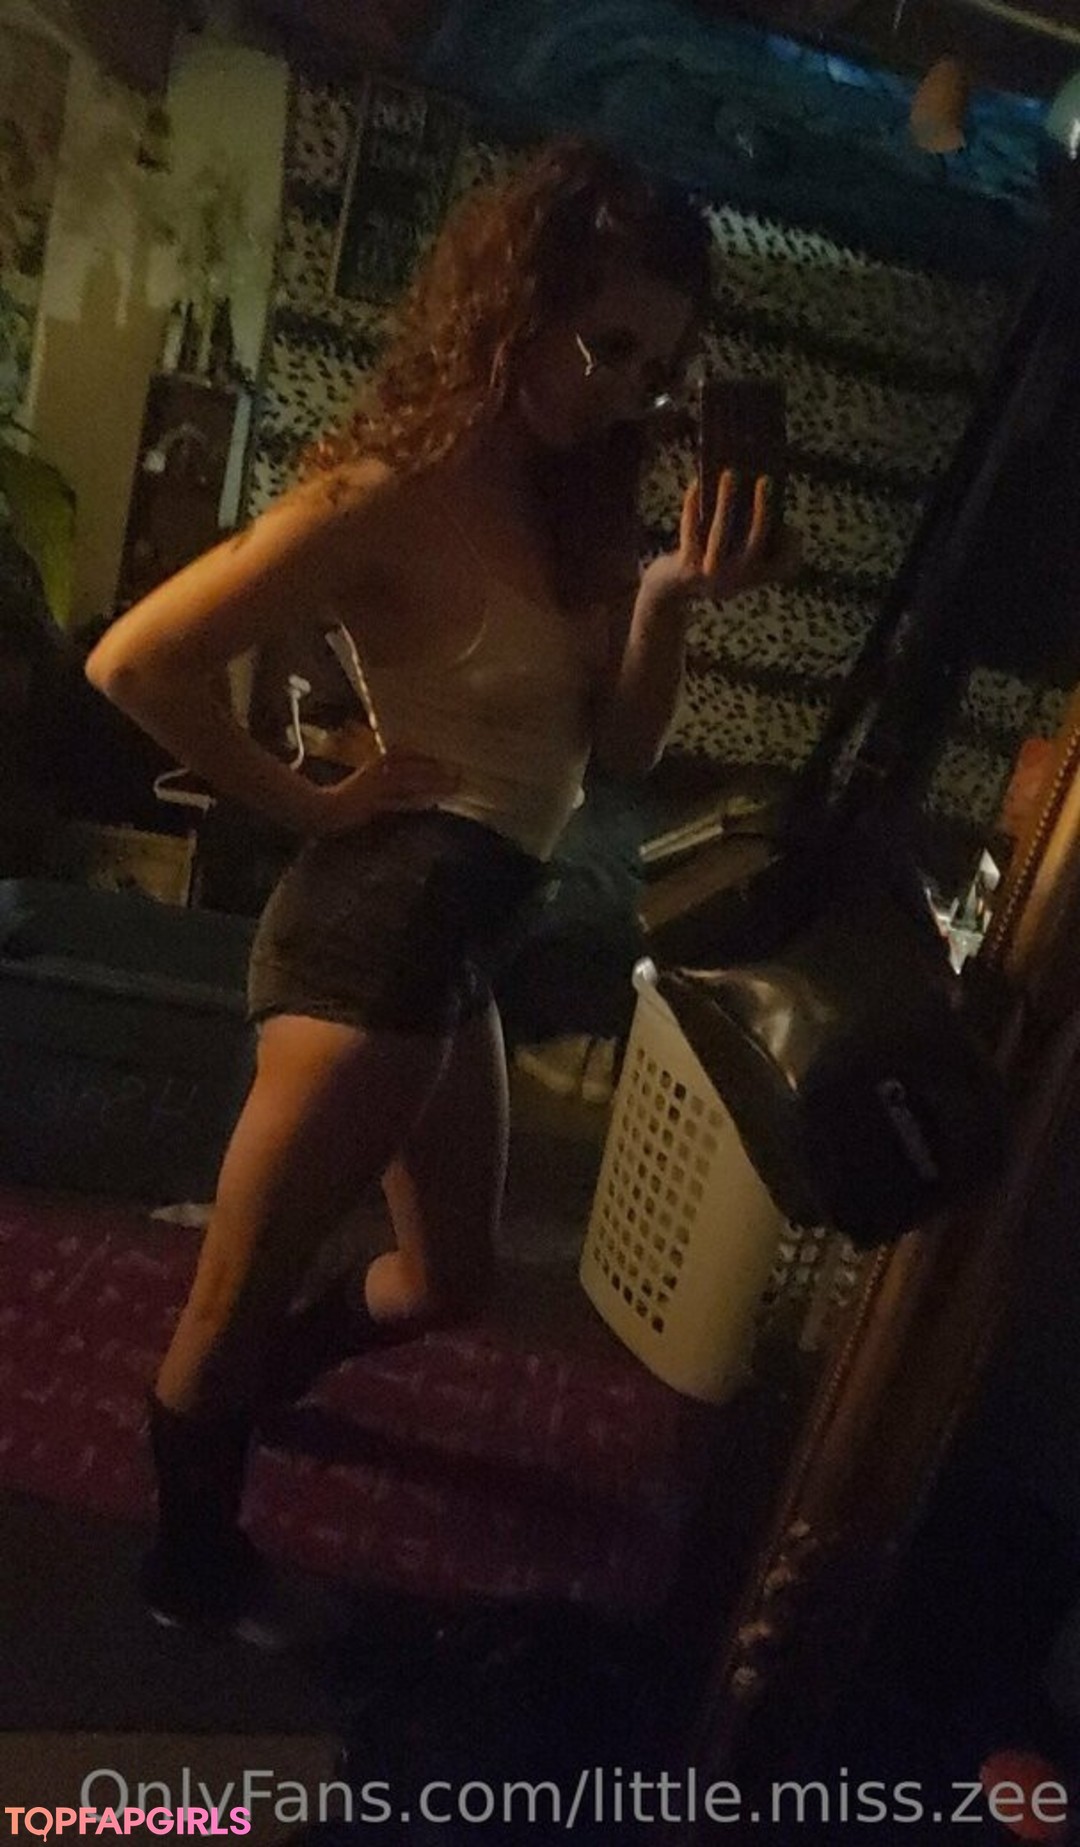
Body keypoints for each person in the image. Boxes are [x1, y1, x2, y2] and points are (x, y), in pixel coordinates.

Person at [86, 135, 794, 1637]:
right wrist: (305, 799)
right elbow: (136, 661)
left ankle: (263, 1390)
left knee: (450, 1280)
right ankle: (188, 1578)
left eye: (656, 365)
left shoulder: (572, 503)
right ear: (519, 307)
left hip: (465, 933)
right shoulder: (386, 494)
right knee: (232, 1290)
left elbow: (621, 752)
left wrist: (668, 598)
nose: (627, 388)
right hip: (379, 921)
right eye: (606, 344)